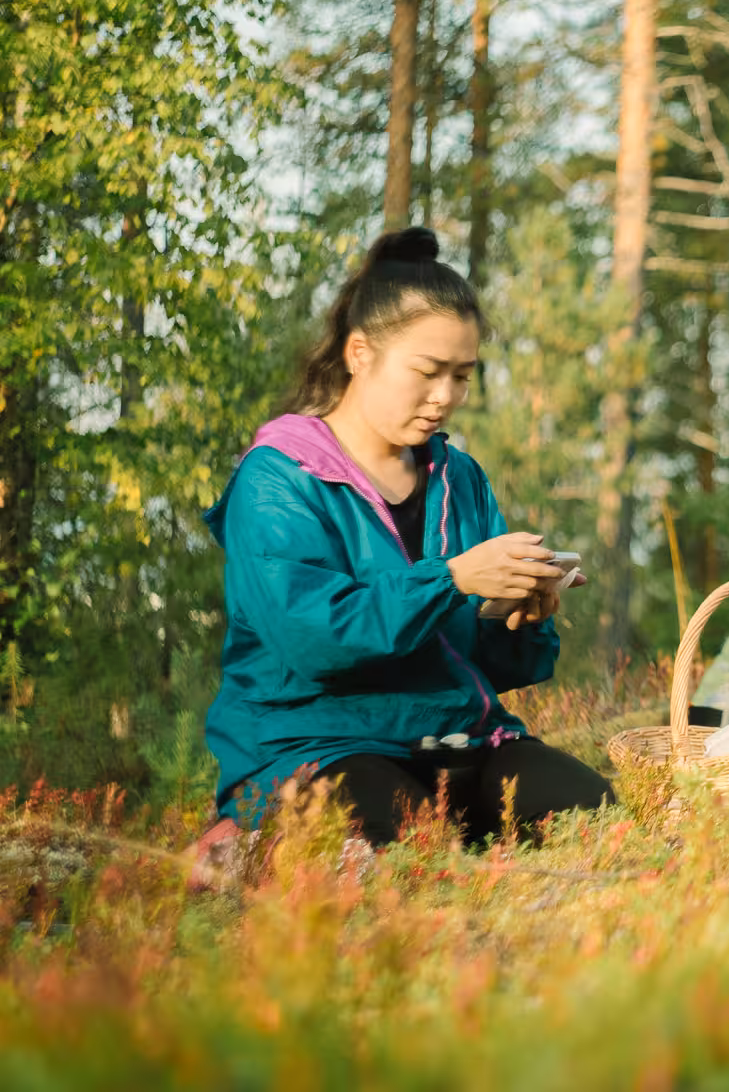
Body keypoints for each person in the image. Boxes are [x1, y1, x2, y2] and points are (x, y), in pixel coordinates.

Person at [203, 228, 613, 845]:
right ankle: (246, 837)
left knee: (594, 815)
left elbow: (481, 663)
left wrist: (512, 616)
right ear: (360, 353)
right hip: (311, 748)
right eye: (427, 371)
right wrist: (451, 580)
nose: (445, 397)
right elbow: (313, 640)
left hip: (457, 741)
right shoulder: (277, 478)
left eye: (463, 376)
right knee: (416, 843)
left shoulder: (460, 477)